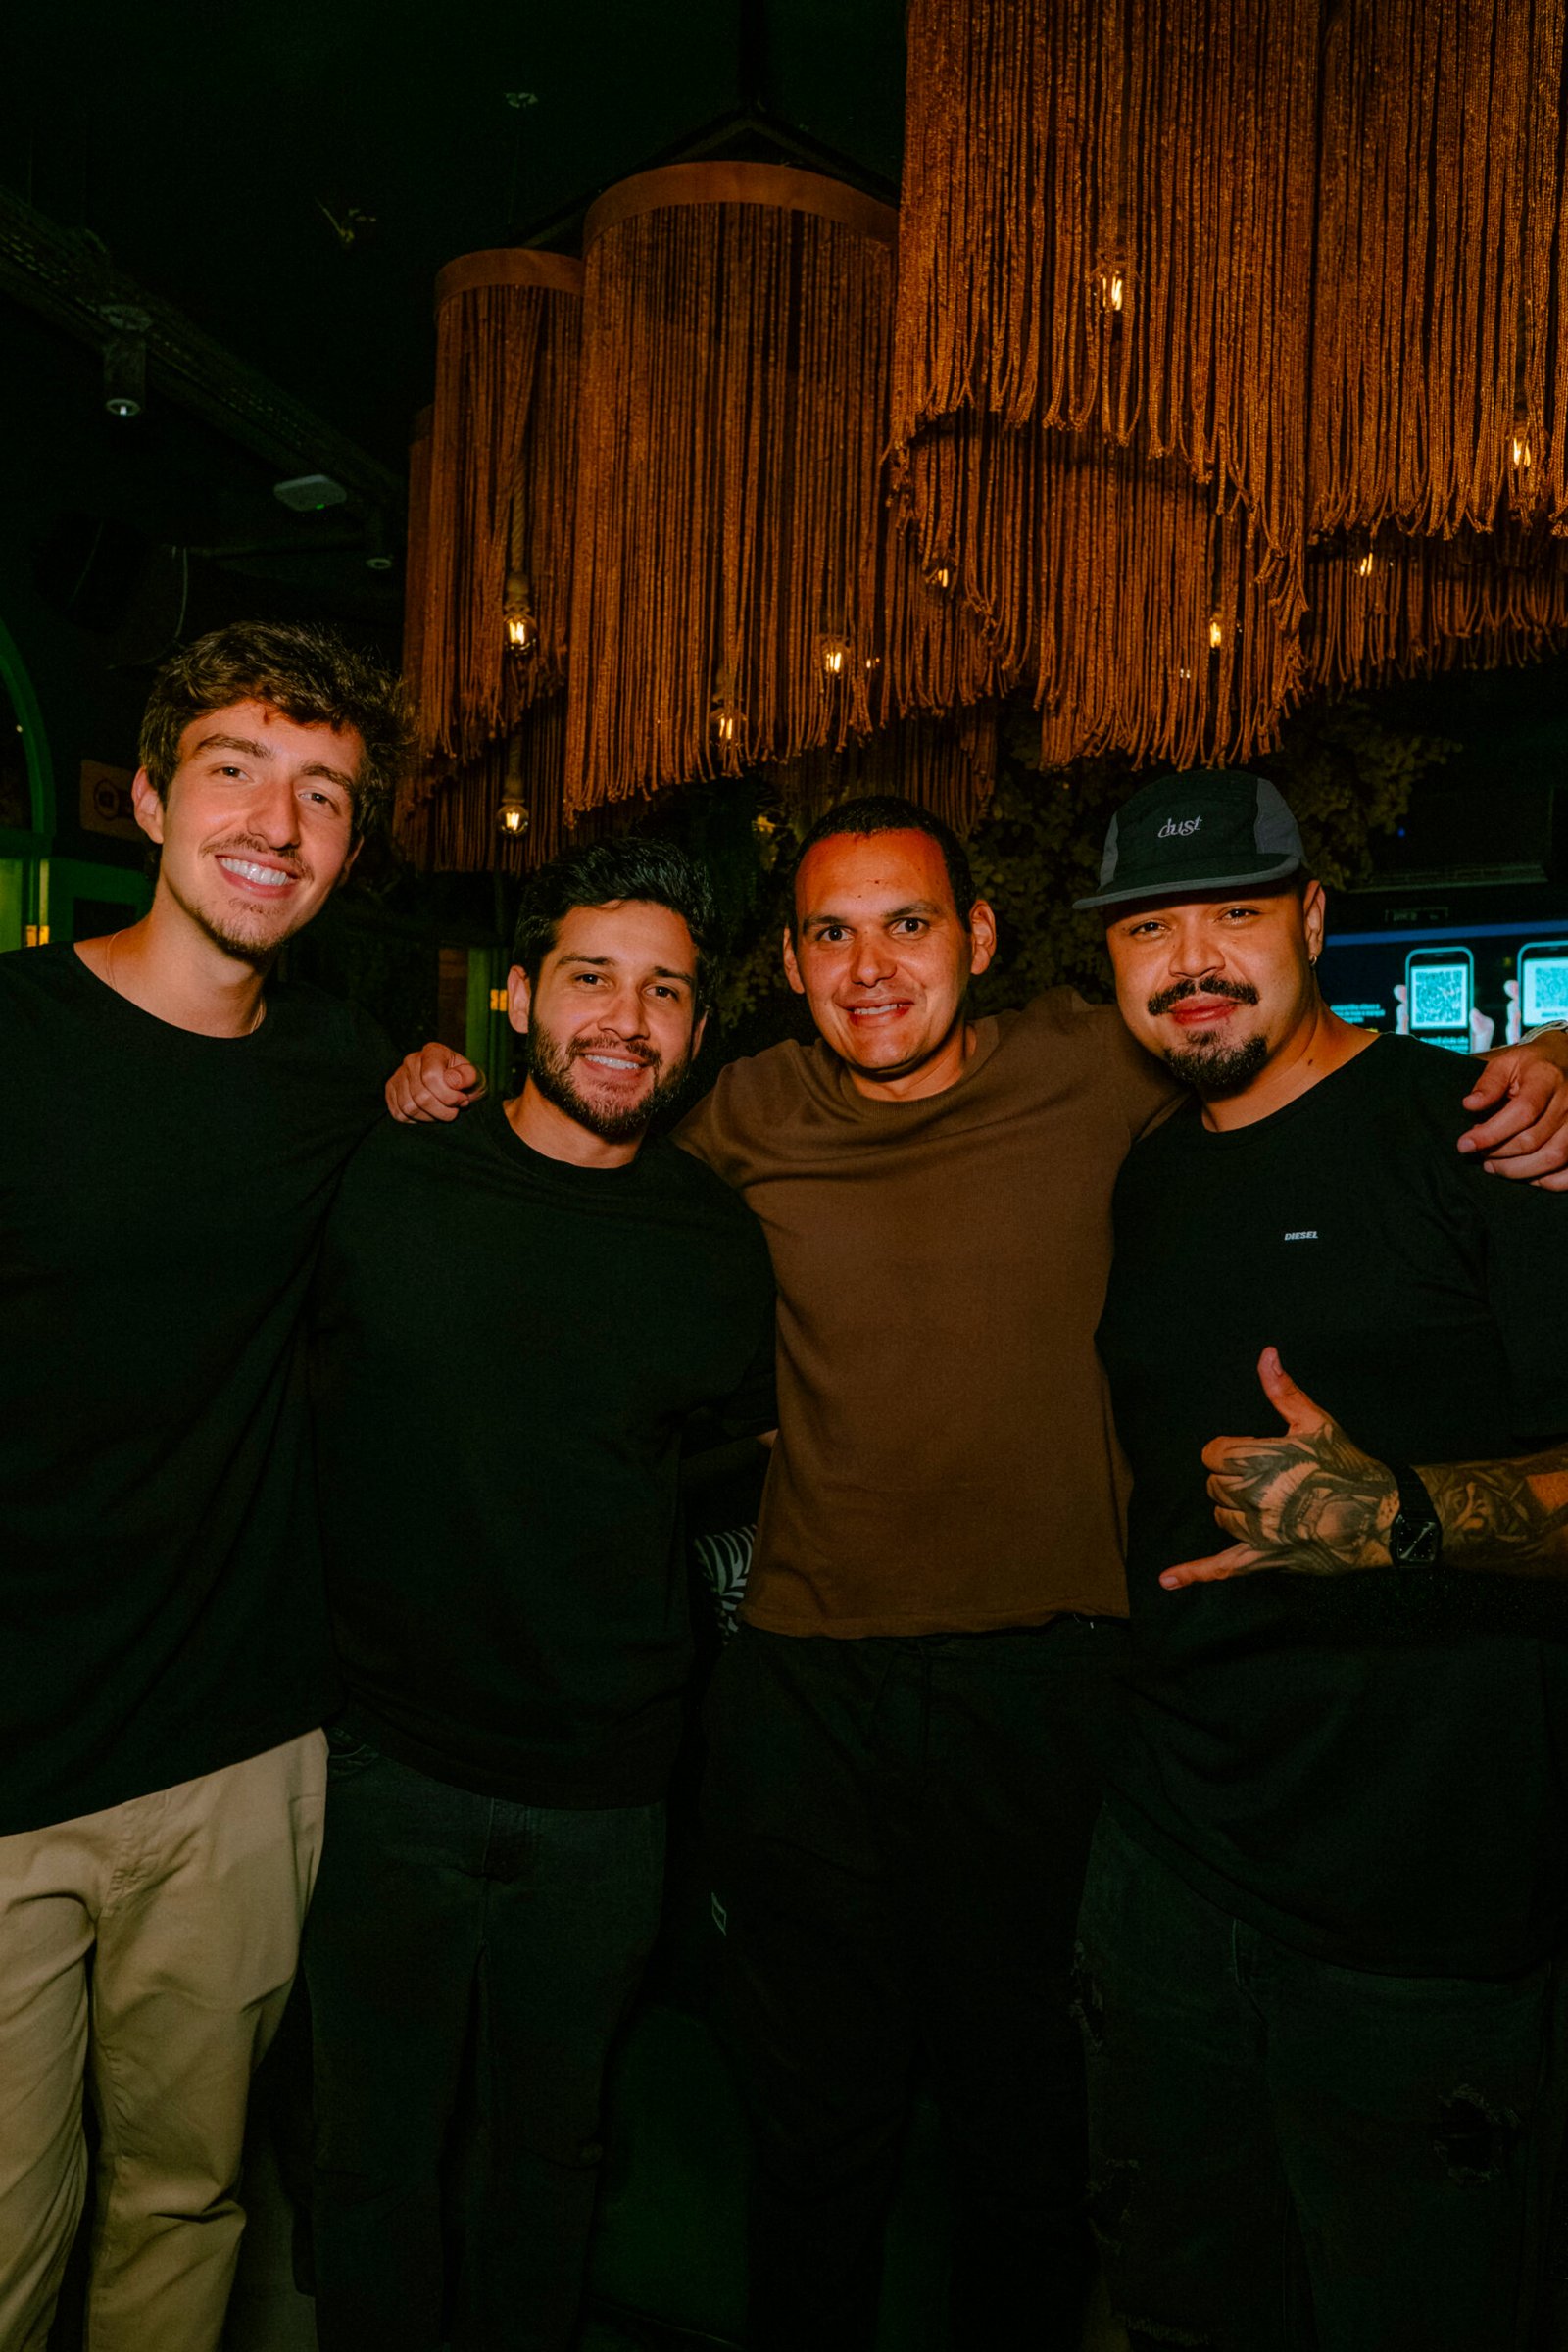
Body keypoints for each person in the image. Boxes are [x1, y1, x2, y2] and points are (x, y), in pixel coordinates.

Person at [388, 793, 1568, 2351]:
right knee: (812, 2133)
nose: (871, 967)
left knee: (1033, 2140)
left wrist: (1553, 1059)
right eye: (831, 934)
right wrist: (431, 1090)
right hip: (811, 1691)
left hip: (1058, 1685)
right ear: (789, 968)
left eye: (909, 925)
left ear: (983, 938)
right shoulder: (738, 1109)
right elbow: (585, 1113)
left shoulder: (1104, 1068)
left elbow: (1309, 1068)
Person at [1084, 768, 1568, 2351]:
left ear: (1310, 918)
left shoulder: (1487, 1134)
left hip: (1420, 1897)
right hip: (1171, 1865)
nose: (1191, 961)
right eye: (1148, 927)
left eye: (1232, 911)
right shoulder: (1151, 1175)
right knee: (1184, 2307)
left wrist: (1405, 1516)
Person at [303, 839, 778, 2352]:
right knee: (372, 2160)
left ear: (699, 1027)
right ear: (515, 997)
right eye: (590, 979)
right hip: (385, 1773)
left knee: (553, 2156)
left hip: (608, 1795)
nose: (625, 1021)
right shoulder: (386, 1173)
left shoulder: (720, 1246)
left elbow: (725, 1456)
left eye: (665, 992)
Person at [0, 621, 408, 2351]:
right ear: (153, 800)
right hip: (9, 1765)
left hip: (239, 1751)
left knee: (187, 2207)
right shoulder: (13, 1033)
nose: (277, 824)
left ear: (351, 851)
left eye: (325, 793)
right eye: (237, 770)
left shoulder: (348, 1075)